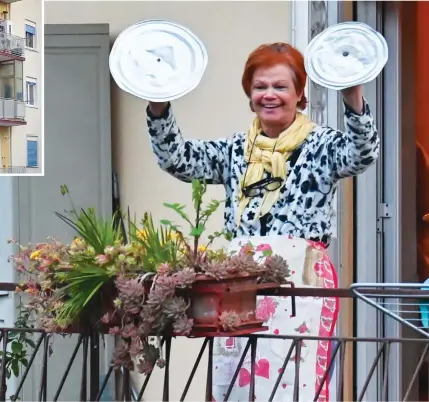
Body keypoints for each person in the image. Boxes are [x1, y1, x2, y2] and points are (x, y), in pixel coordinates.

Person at [146, 42, 379, 401]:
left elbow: (362, 154)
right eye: (260, 87)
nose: (269, 95)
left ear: (300, 93)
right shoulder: (235, 150)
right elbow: (178, 160)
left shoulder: (321, 145)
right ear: (249, 94)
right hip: (238, 281)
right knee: (235, 383)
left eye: (280, 86)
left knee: (294, 382)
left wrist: (353, 95)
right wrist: (158, 103)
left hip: (298, 279)